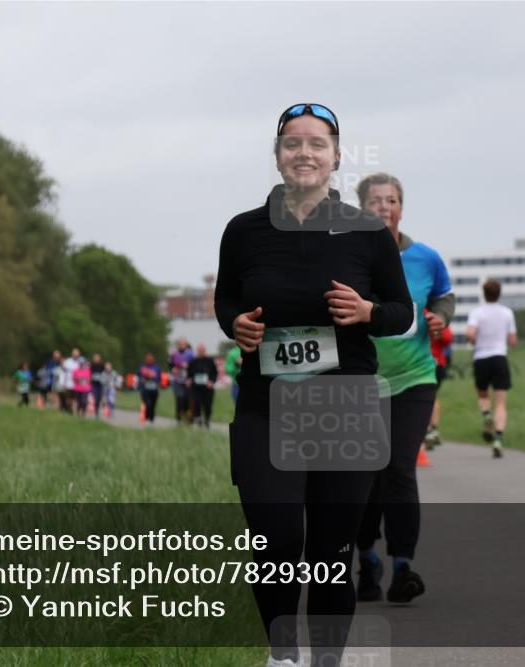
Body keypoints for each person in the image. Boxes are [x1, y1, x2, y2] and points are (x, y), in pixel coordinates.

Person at [214, 103, 412, 667]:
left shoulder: (368, 232)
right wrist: (237, 324)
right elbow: (226, 299)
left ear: (336, 157)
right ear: (277, 155)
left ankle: (326, 659)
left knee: (330, 548)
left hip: (344, 403)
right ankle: (283, 656)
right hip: (266, 405)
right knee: (276, 541)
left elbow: (401, 312)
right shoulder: (243, 230)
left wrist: (369, 311)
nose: (305, 153)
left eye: (317, 144)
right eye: (293, 143)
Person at [353, 173, 454, 605]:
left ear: (401, 208)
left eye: (391, 200)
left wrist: (440, 318)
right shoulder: (348, 255)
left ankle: (402, 565)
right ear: (361, 208)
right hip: (360, 382)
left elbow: (444, 296)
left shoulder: (425, 257)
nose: (384, 207)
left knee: (398, 468)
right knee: (366, 476)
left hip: (415, 377)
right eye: (375, 201)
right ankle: (366, 558)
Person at [466, 280, 517, 458]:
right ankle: (498, 438)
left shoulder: (477, 312)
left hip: (481, 357)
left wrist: (475, 341)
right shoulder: (507, 313)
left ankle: (486, 415)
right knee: (501, 402)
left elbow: (470, 334)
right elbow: (512, 340)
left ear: (484, 293)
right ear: (499, 293)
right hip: (500, 357)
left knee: (483, 395)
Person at [426, 318, 454, 448]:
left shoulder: (419, 314)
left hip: (423, 363)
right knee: (434, 396)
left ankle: (428, 430)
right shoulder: (438, 318)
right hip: (438, 362)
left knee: (423, 396)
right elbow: (448, 339)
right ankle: (434, 428)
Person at [186, 343, 219, 428]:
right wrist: (189, 380)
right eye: (200, 350)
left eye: (203, 350)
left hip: (207, 388)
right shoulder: (192, 362)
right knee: (196, 405)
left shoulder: (210, 361)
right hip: (196, 388)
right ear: (197, 351)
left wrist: (212, 381)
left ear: (205, 351)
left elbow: (215, 373)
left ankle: (207, 421)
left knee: (208, 406)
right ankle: (199, 422)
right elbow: (188, 374)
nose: (201, 352)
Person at [169, 339, 195, 424]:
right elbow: (170, 365)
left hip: (188, 381)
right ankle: (178, 420)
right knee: (179, 400)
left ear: (186, 345)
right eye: (180, 344)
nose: (181, 345)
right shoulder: (174, 354)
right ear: (177, 345)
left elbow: (194, 367)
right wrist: (173, 369)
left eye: (183, 344)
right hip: (177, 380)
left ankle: (188, 420)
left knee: (188, 401)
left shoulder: (190, 354)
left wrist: (190, 377)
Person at [137, 353, 163, 424]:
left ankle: (151, 419)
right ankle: (147, 418)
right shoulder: (142, 366)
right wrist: (142, 379)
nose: (149, 360)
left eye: (151, 359)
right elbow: (138, 376)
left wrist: (153, 377)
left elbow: (159, 378)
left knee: (153, 405)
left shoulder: (157, 367)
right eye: (148, 359)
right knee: (147, 404)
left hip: (154, 389)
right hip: (145, 389)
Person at [61, 347, 81, 414]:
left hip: (78, 384)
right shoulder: (67, 362)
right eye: (74, 353)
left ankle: (74, 410)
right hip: (68, 383)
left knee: (76, 398)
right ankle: (69, 410)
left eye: (77, 354)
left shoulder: (80, 362)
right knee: (68, 398)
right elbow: (63, 373)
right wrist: (62, 382)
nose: (75, 355)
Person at [89, 353, 106, 419]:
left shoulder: (102, 365)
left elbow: (104, 373)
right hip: (93, 384)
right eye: (95, 358)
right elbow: (89, 373)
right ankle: (95, 410)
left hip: (100, 384)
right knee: (95, 397)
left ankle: (97, 410)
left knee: (99, 398)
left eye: (97, 358)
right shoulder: (91, 365)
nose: (96, 359)